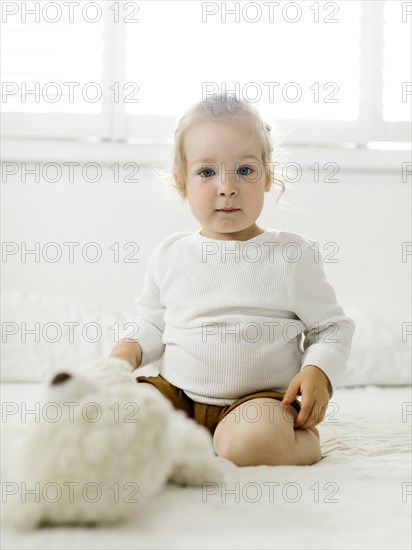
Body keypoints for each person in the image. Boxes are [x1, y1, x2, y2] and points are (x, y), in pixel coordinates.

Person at [109, 92, 355, 467]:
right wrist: (127, 351)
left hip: (255, 403)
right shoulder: (170, 254)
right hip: (178, 396)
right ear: (181, 182)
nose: (226, 186)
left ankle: (300, 442)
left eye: (244, 170)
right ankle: (181, 441)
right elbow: (151, 324)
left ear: (268, 177)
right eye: (207, 172)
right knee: (113, 416)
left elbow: (332, 328)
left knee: (251, 444)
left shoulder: (289, 256)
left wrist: (317, 371)